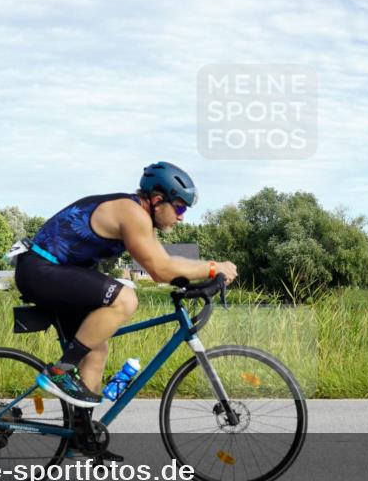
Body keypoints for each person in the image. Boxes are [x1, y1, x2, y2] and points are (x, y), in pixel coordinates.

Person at [13, 162, 238, 456]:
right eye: (180, 208)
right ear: (158, 200)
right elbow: (159, 269)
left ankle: (82, 436)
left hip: (54, 272)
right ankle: (59, 372)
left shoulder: (139, 216)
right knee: (126, 298)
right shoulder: (131, 213)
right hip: (40, 269)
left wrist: (196, 277)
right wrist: (213, 268)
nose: (181, 218)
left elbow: (164, 262)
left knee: (96, 349)